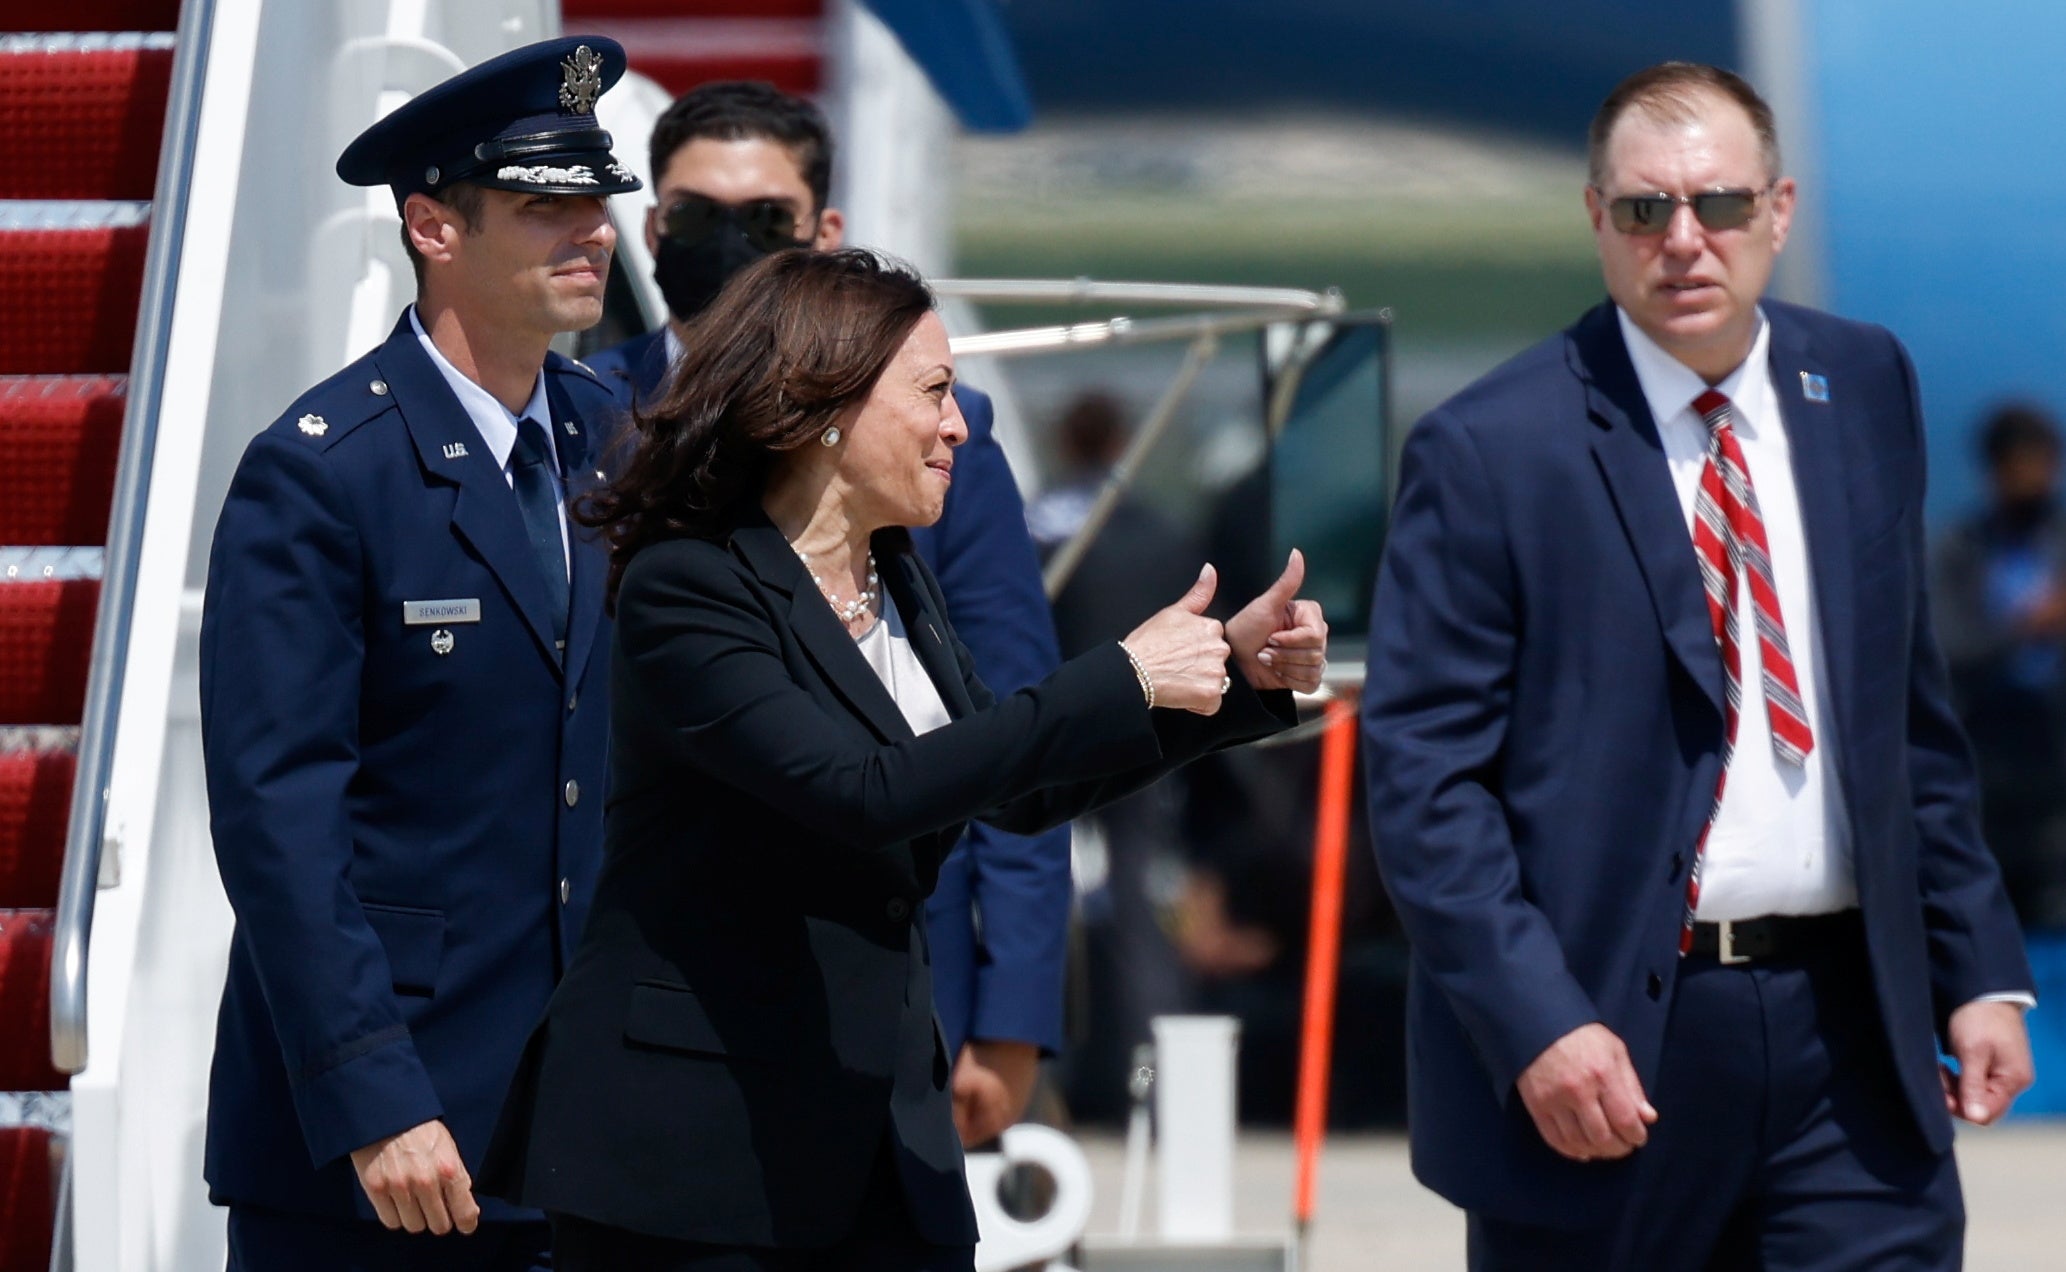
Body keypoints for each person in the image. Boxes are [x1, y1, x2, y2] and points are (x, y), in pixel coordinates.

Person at [481, 248, 1329, 1270]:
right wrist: (1118, 673)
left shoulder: (894, 579)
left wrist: (1233, 681)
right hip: (696, 1157)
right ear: (821, 402)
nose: (961, 425)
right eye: (934, 392)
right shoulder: (686, 590)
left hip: (873, 1143)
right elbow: (859, 792)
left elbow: (1013, 786)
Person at [1362, 62, 2035, 1270]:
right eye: (1642, 210)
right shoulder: (1487, 450)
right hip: (1611, 1052)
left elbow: (1905, 716)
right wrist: (1536, 1026)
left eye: (1717, 205)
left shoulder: (1864, 385)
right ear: (1594, 221)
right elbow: (1423, 787)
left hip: (1852, 1046)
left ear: (1776, 211)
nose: (1683, 241)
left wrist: (1976, 966)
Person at [197, 38, 638, 1271]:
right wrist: (373, 1097)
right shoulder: (321, 472)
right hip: (386, 1154)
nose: (592, 231)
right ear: (433, 227)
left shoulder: (618, 442)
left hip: (589, 1137)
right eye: (546, 203)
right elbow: (281, 822)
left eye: (597, 201)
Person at [588, 80, 1069, 1147]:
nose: (725, 246)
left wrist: (1013, 1012)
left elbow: (1004, 714)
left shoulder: (946, 437)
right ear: (651, 226)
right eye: (695, 219)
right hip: (661, 966)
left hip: (891, 957)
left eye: (762, 222)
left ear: (822, 233)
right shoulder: (582, 419)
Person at [1933, 404, 2066, 928]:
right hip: (1986, 756)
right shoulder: (1960, 548)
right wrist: (2029, 625)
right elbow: (1949, 647)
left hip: (2055, 751)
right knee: (1991, 908)